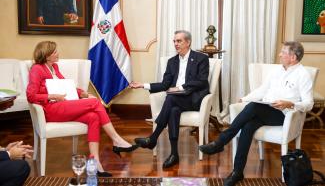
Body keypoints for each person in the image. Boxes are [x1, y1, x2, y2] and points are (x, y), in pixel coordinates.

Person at [199, 41, 314, 186]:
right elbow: (263, 89)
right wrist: (244, 98)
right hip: (266, 109)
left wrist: (290, 103)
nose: (280, 54)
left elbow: (309, 103)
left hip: (285, 115)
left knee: (253, 107)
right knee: (248, 126)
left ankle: (221, 141)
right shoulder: (278, 70)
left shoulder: (303, 75)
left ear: (293, 57)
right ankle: (237, 172)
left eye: (283, 52)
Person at [26, 41, 137, 177]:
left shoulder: (54, 67)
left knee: (93, 117)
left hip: (62, 105)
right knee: (95, 102)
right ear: (46, 55)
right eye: (54, 51)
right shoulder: (37, 69)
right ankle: (116, 139)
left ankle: (95, 163)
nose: (58, 53)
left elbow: (66, 86)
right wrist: (52, 96)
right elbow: (30, 96)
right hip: (50, 109)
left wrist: (82, 93)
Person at [130, 30, 209, 169]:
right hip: (177, 99)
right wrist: (143, 85)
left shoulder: (201, 58)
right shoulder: (172, 62)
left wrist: (180, 87)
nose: (176, 44)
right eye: (174, 41)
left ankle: (153, 138)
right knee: (173, 110)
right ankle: (174, 154)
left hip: (193, 99)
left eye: (179, 41)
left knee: (171, 98)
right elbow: (165, 84)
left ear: (188, 42)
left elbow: (202, 81)